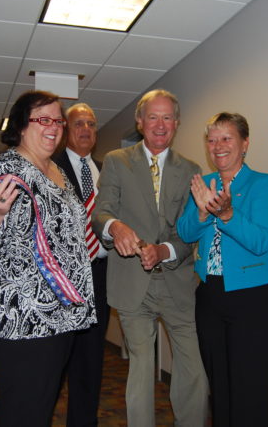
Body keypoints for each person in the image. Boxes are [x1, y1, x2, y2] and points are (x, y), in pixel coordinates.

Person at [0, 90, 96, 427]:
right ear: (21, 125)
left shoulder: (57, 171)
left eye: (57, 121)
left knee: (40, 405)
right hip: (21, 315)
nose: (53, 127)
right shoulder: (7, 167)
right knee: (23, 408)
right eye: (43, 119)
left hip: (60, 314)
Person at [92, 89, 208, 426]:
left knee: (192, 369)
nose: (160, 124)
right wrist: (116, 228)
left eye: (167, 117)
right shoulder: (116, 161)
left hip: (178, 283)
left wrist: (164, 251)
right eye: (153, 117)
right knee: (141, 365)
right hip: (132, 283)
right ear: (140, 122)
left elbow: (190, 229)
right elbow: (102, 212)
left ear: (177, 123)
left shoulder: (191, 169)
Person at [177, 112, 268, 426]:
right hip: (210, 296)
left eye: (226, 138)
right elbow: (185, 233)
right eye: (212, 140)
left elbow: (262, 240)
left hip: (252, 298)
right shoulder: (203, 184)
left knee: (249, 388)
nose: (218, 146)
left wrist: (226, 214)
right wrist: (200, 211)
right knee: (219, 388)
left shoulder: (263, 184)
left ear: (245, 143)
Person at [52, 103, 109, 426]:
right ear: (65, 129)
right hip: (61, 279)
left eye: (91, 123)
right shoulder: (50, 167)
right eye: (78, 123)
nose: (85, 129)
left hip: (100, 277)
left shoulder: (108, 170)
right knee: (54, 361)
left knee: (90, 362)